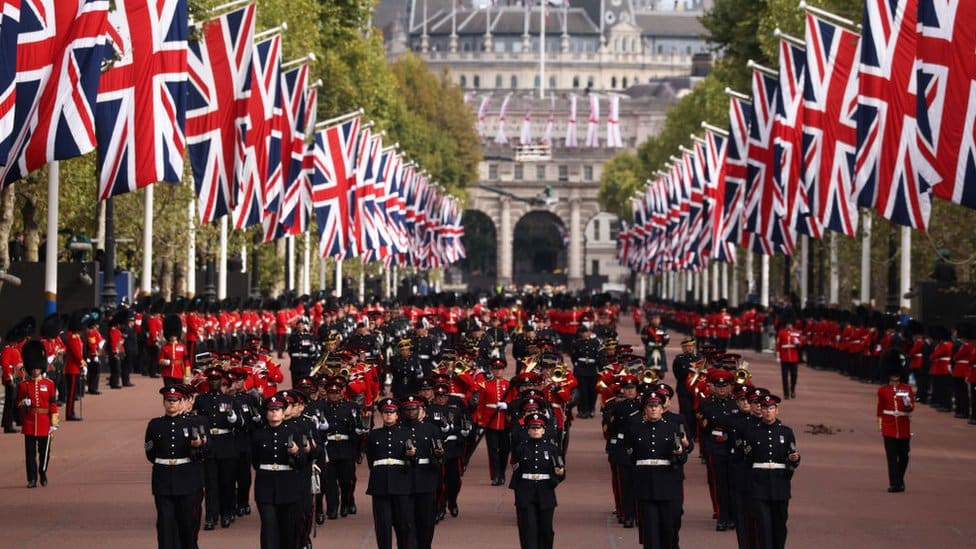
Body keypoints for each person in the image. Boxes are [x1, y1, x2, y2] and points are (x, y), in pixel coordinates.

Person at [145, 385, 207, 549]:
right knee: (164, 525)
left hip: (186, 479)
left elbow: (205, 451)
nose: (171, 403)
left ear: (181, 403)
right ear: (164, 403)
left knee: (186, 525)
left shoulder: (194, 423)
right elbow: (150, 453)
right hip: (163, 480)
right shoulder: (155, 425)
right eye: (168, 400)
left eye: (175, 400)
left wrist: (197, 446)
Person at [625, 390, 686, 549]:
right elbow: (631, 456)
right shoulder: (635, 429)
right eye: (650, 406)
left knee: (668, 526)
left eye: (656, 406)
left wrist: (680, 453)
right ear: (645, 409)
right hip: (645, 483)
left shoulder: (672, 428)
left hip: (666, 482)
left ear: (661, 408)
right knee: (650, 528)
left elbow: (682, 457)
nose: (653, 409)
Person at [741, 394, 800, 549]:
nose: (768, 411)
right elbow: (746, 460)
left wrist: (794, 459)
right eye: (765, 408)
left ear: (777, 410)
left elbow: (792, 458)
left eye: (771, 408)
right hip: (759, 484)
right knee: (763, 526)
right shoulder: (752, 432)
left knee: (780, 526)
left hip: (779, 484)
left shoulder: (786, 432)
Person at [252, 393, 306, 549]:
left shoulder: (293, 432)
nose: (274, 412)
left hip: (288, 486)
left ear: (284, 413)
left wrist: (296, 452)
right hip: (265, 486)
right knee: (269, 528)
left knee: (288, 529)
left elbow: (302, 462)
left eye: (278, 409)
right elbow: (256, 461)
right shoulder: (259, 434)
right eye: (270, 410)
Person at [509, 412, 565, 549]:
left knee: (546, 530)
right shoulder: (521, 448)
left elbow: (560, 470)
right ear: (528, 430)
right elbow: (516, 468)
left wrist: (559, 474)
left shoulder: (552, 449)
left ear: (544, 430)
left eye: (538, 428)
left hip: (545, 491)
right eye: (533, 428)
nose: (535, 431)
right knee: (528, 529)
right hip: (526, 490)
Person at [366, 397, 416, 549]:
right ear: (382, 414)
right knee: (383, 526)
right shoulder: (373, 435)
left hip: (401, 482)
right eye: (386, 412)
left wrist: (411, 456)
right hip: (380, 484)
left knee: (403, 525)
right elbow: (371, 460)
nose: (388, 415)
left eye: (392, 412)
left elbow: (411, 461)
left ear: (397, 415)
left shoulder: (406, 433)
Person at [18, 340, 59, 488]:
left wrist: (54, 422)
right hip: (29, 422)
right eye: (33, 368)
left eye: (37, 368)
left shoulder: (49, 384)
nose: (35, 371)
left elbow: (53, 403)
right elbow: (18, 404)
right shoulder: (23, 385)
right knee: (30, 454)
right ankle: (32, 478)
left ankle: (42, 471)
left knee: (44, 453)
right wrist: (24, 403)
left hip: (44, 422)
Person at [876, 349, 913, 492]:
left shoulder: (907, 389)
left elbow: (910, 408)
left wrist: (908, 405)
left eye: (897, 374)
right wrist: (881, 426)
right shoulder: (883, 390)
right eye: (892, 374)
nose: (895, 376)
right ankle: (895, 483)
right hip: (889, 426)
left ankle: (899, 480)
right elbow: (880, 409)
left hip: (903, 426)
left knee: (904, 455)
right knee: (891, 457)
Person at [775, 314, 802, 399]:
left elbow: (800, 345)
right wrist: (778, 356)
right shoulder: (781, 333)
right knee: (785, 376)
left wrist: (798, 343)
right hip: (784, 357)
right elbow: (778, 345)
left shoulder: (797, 333)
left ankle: (792, 390)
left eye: (790, 324)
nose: (789, 325)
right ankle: (786, 394)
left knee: (794, 375)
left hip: (794, 358)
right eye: (787, 324)